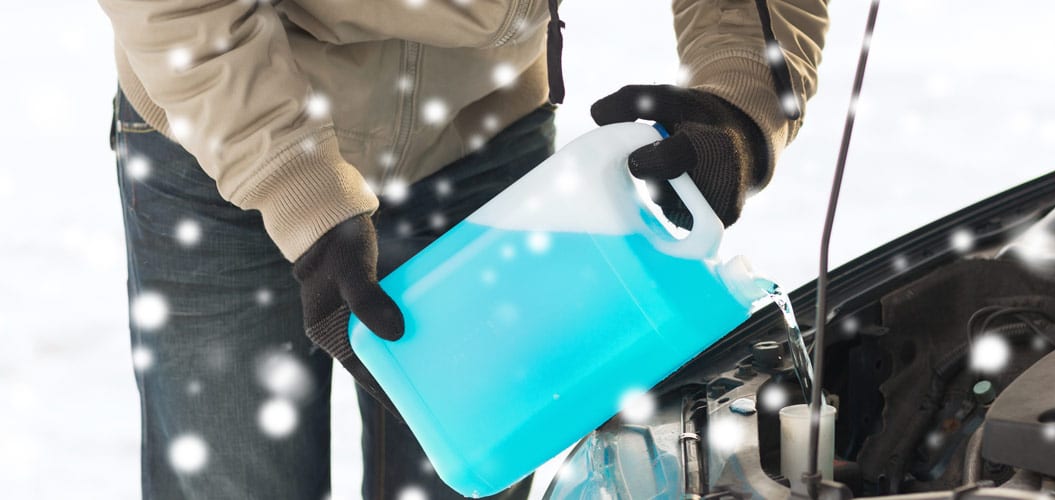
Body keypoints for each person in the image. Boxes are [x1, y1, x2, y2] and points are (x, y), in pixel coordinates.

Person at [98, 0, 828, 498]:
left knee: (463, 477)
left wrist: (740, 96)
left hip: (481, 136)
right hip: (219, 128)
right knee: (229, 483)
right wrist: (295, 187)